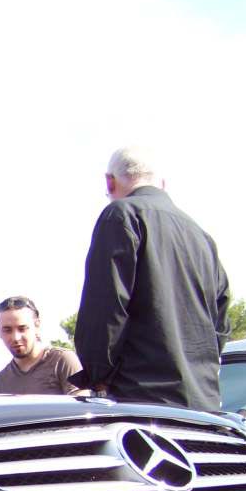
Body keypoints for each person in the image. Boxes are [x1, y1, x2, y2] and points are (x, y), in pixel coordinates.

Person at [72, 146, 230, 410]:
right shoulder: (201, 235)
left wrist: (98, 376)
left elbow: (105, 310)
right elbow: (221, 321)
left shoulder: (121, 216)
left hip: (144, 404)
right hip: (205, 406)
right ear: (162, 184)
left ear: (110, 182)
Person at [0, 295, 81, 395]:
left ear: (37, 326)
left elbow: (82, 409)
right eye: (7, 330)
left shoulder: (63, 361)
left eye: (22, 328)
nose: (16, 337)